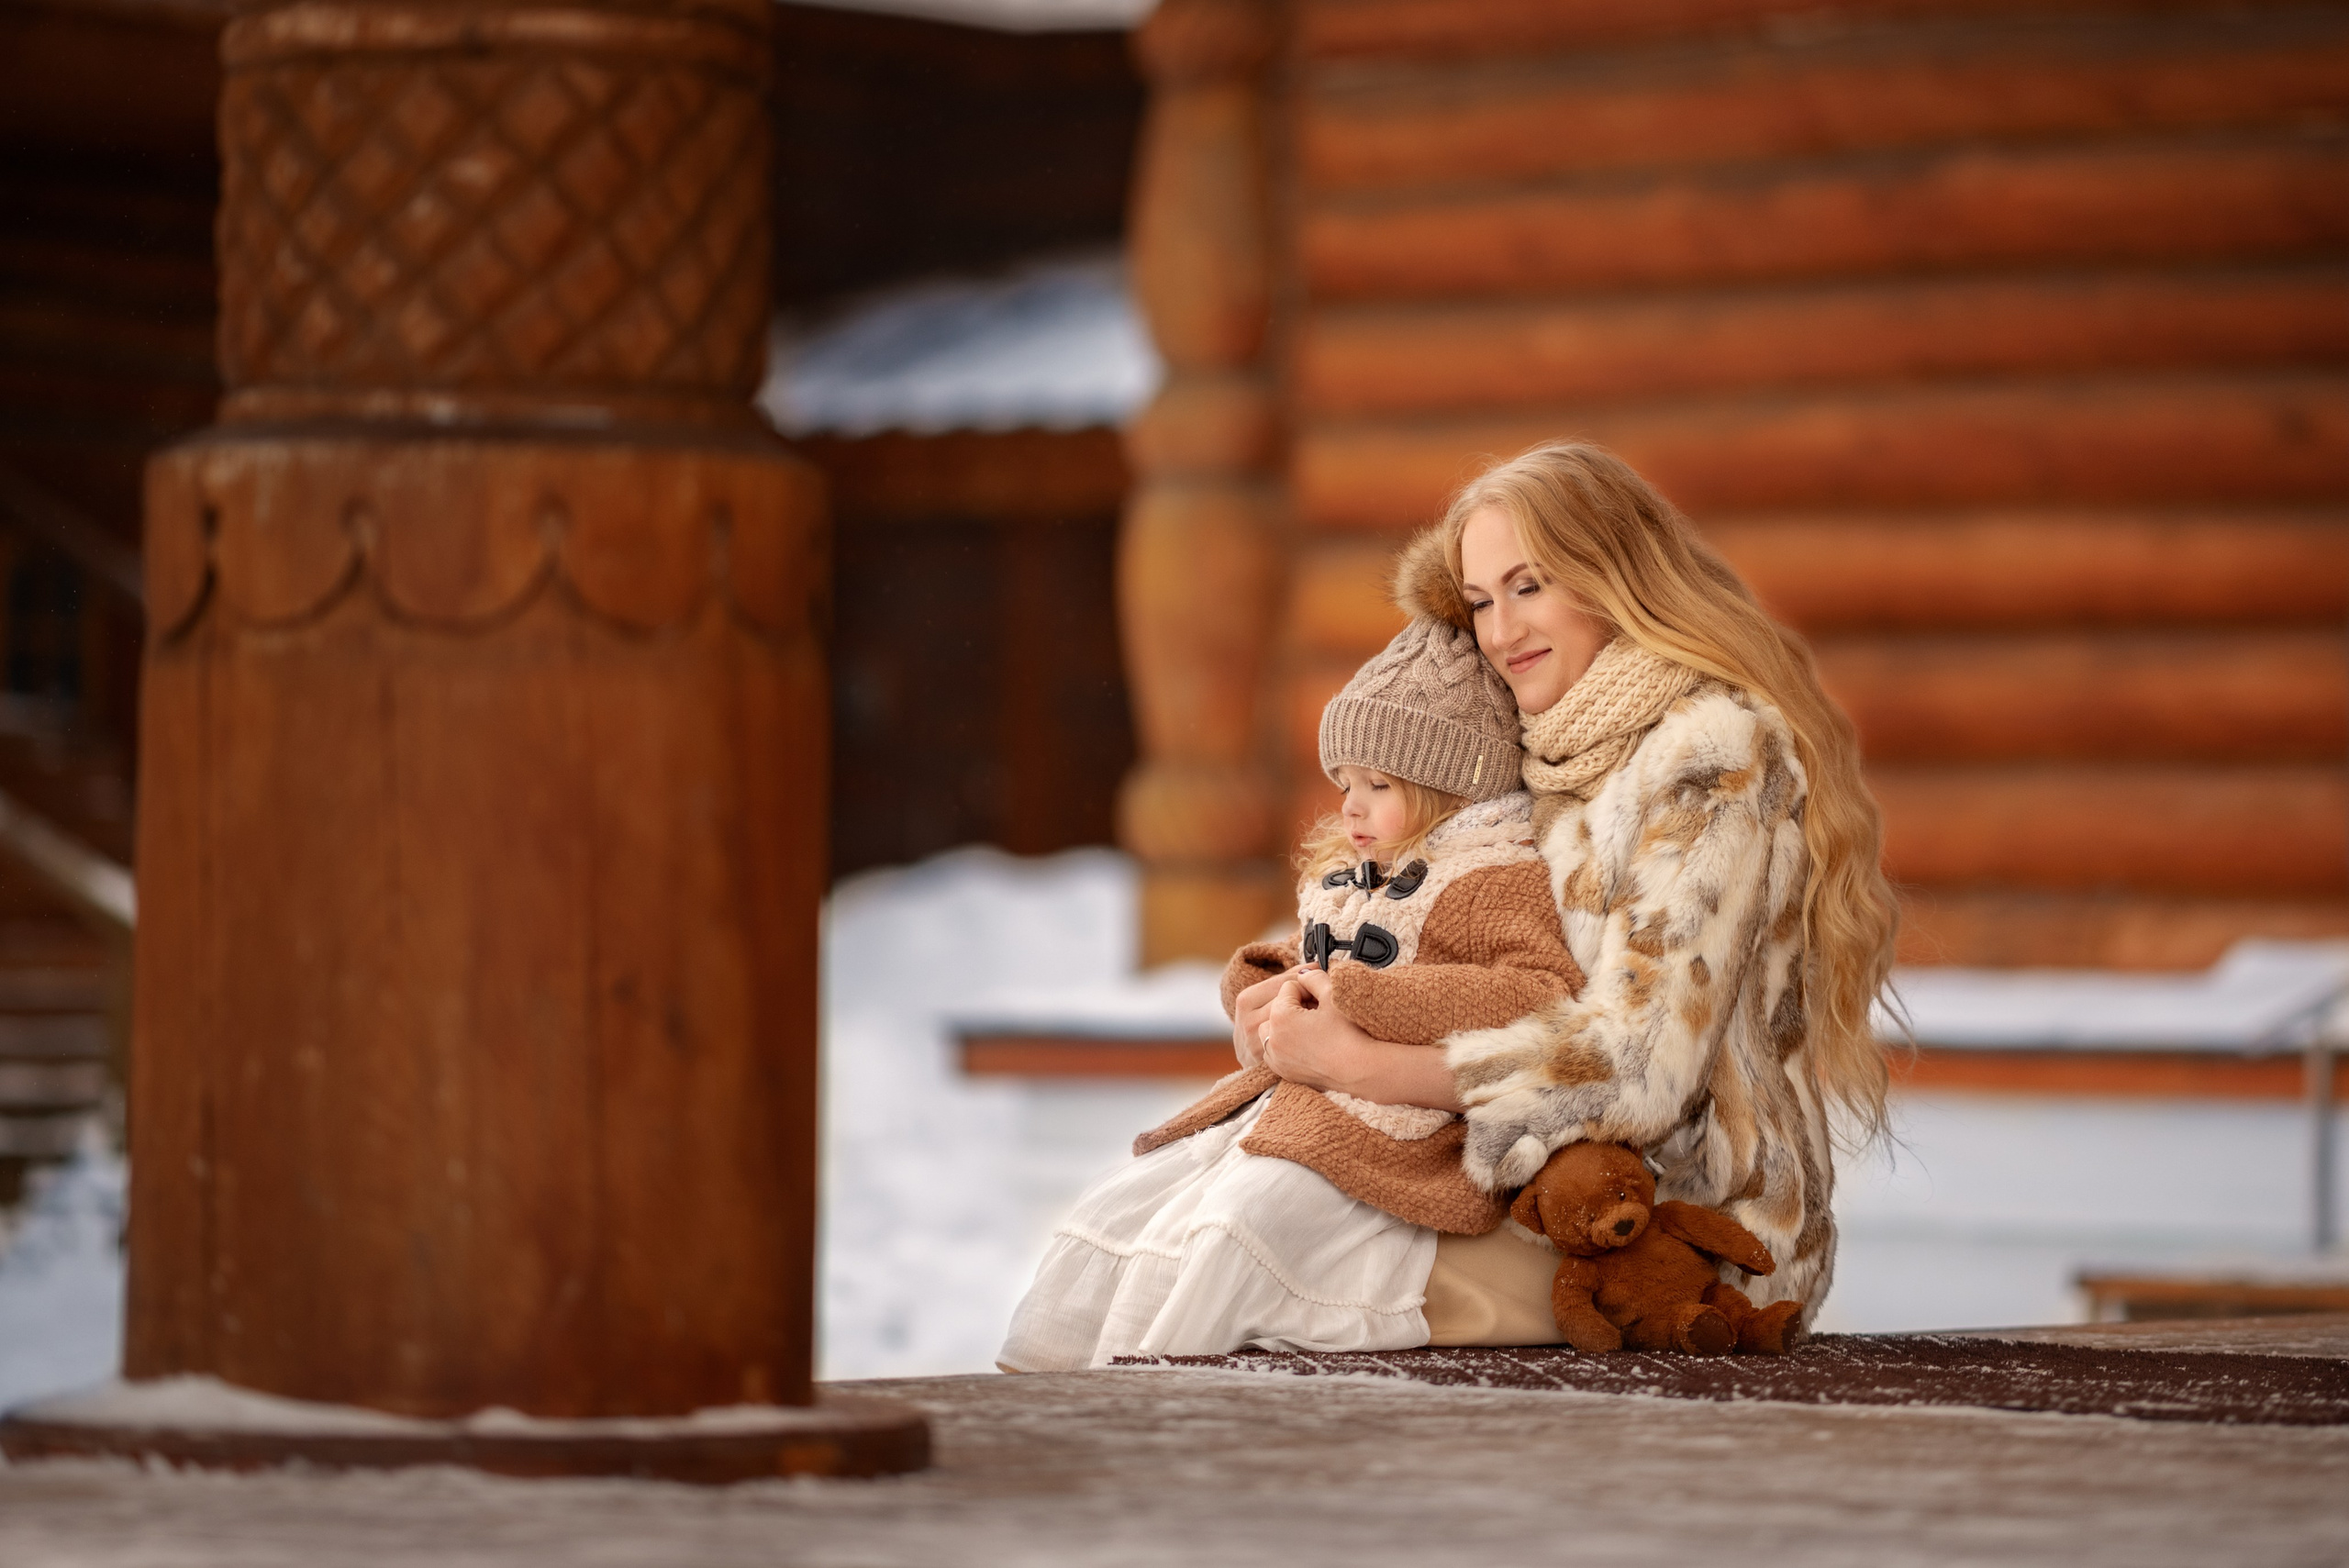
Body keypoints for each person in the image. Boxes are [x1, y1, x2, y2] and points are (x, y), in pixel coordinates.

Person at [1252, 440, 1901, 1319]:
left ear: (1611, 577)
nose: (1500, 632)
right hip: (1537, 1186)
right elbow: (1443, 951)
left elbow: (1639, 1065)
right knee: (1225, 1195)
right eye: (1480, 601)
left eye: (1529, 587)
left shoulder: (1710, 755)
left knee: (1276, 1244)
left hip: (1682, 1233)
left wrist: (1359, 1065)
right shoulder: (1537, 749)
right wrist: (1298, 1001)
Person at [996, 605, 1585, 1371]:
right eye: (1345, 782)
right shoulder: (1362, 872)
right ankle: (1060, 1375)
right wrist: (1271, 985)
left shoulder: (1494, 876)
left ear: (1452, 789)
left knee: (1246, 1218)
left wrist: (1369, 998)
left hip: (1400, 1128)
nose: (1351, 804)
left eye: (1379, 783)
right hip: (1301, 1106)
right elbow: (1329, 955)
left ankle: (1161, 1383)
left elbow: (1538, 992)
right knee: (1137, 1199)